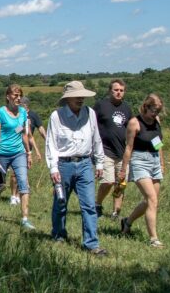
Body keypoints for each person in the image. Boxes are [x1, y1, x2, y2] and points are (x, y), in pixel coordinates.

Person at [46, 81, 107, 256]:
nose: (80, 99)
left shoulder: (90, 113)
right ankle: (58, 234)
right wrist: (53, 168)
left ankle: (91, 243)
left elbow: (96, 138)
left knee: (88, 205)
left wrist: (100, 162)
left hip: (85, 163)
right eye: (76, 96)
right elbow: (51, 143)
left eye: (82, 96)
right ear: (68, 99)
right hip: (63, 165)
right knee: (61, 203)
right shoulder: (56, 116)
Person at [119, 94, 166, 248]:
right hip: (139, 161)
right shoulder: (134, 123)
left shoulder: (156, 121)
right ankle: (154, 238)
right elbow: (129, 147)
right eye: (153, 110)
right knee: (152, 199)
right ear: (146, 107)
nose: (155, 114)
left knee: (150, 201)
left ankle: (127, 222)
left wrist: (161, 163)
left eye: (158, 111)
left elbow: (158, 143)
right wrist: (123, 169)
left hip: (154, 161)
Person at [0, 85, 35, 230]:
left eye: (20, 95)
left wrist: (28, 153)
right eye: (15, 95)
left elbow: (22, 133)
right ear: (8, 96)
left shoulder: (22, 112)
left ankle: (25, 218)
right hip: (2, 153)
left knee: (23, 182)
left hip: (18, 153)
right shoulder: (0, 112)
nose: (18, 98)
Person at [94, 79, 131, 219]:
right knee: (108, 181)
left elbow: (130, 127)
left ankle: (116, 211)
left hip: (122, 151)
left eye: (121, 90)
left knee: (121, 184)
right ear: (110, 91)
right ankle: (97, 204)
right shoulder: (101, 105)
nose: (119, 92)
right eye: (116, 90)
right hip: (105, 150)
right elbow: (92, 123)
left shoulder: (126, 108)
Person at [9, 96, 46, 205]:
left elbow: (37, 131)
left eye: (22, 105)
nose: (20, 107)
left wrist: (45, 141)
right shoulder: (15, 115)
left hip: (26, 149)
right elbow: (13, 131)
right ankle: (13, 196)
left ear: (26, 105)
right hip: (15, 147)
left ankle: (19, 194)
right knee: (14, 174)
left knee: (22, 173)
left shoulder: (33, 115)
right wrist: (23, 127)